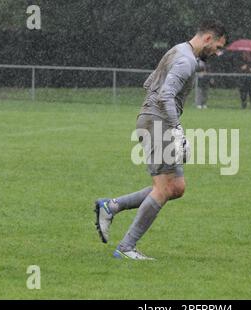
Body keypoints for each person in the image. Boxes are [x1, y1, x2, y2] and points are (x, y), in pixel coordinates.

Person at [94, 20, 227, 260]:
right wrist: (176, 129)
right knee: (163, 188)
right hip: (159, 123)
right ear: (208, 38)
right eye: (217, 46)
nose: (218, 53)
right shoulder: (186, 61)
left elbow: (150, 82)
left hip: (155, 119)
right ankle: (126, 248)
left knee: (176, 187)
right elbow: (165, 94)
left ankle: (111, 206)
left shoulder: (179, 50)